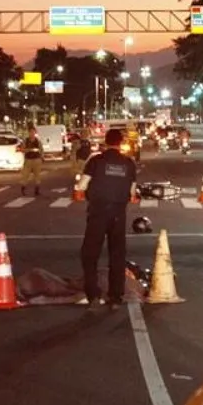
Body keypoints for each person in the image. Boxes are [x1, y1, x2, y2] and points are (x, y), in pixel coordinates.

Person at [76, 129, 138, 311]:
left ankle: (93, 294)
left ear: (106, 141)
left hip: (98, 212)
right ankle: (116, 297)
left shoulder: (96, 161)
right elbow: (132, 192)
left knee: (90, 254)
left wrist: (83, 191)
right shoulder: (129, 163)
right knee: (117, 254)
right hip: (119, 213)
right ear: (121, 142)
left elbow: (82, 185)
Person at [20, 126, 44, 196]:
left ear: (35, 133)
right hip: (28, 160)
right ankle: (23, 188)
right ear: (29, 133)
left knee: (37, 175)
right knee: (25, 175)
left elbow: (41, 150)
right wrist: (29, 150)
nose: (32, 134)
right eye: (31, 132)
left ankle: (37, 190)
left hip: (37, 160)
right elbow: (22, 149)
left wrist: (41, 157)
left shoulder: (38, 141)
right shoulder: (26, 141)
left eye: (33, 132)